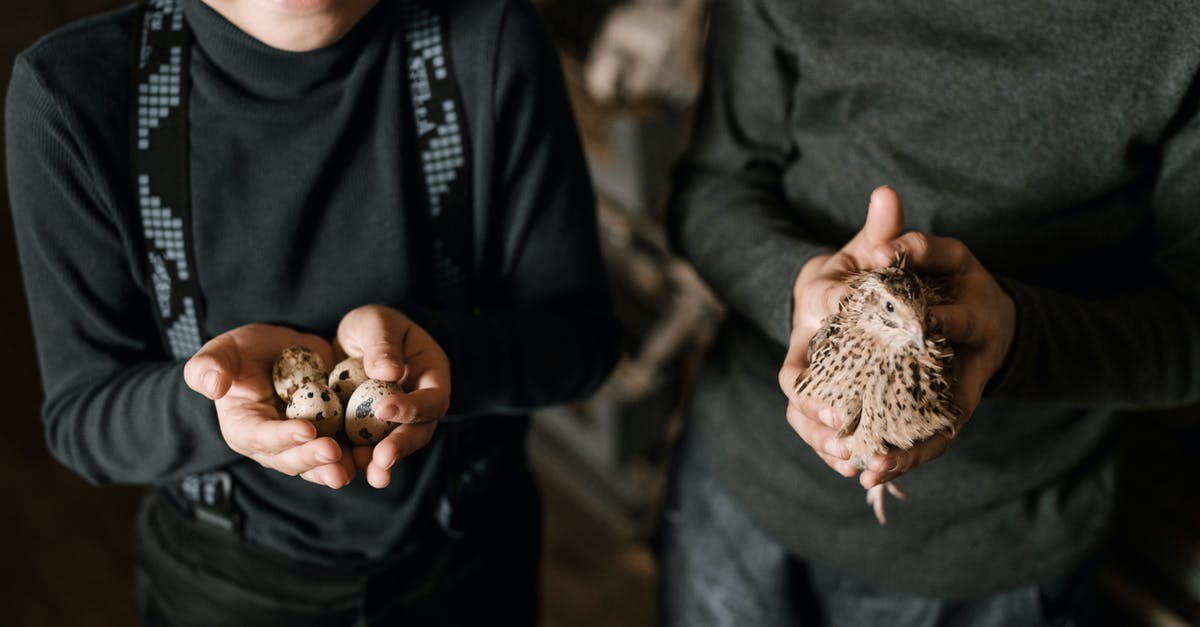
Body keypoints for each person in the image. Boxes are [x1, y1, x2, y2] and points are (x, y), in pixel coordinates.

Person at [6, 0, 618, 624]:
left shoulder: (488, 40)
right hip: (227, 586)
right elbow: (84, 418)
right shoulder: (72, 95)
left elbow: (582, 343)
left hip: (470, 565)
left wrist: (445, 353)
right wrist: (212, 406)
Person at [660, 0, 1200, 625]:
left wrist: (1015, 337)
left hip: (994, 551)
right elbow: (712, 188)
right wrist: (801, 286)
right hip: (742, 484)